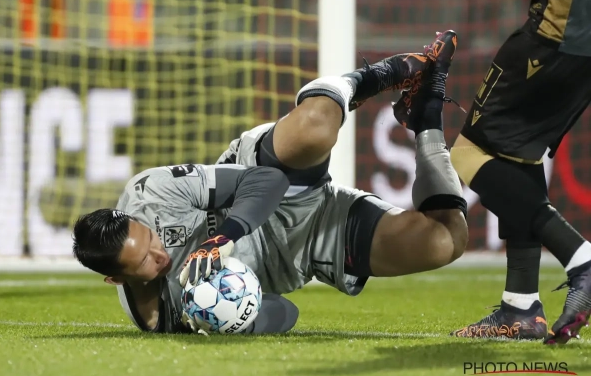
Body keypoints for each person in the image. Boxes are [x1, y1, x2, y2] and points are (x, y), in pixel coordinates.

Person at [72, 30, 468, 335]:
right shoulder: (164, 317)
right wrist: (234, 318)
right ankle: (426, 117)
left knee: (315, 127)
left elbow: (268, 180)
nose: (159, 254)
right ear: (117, 279)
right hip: (303, 246)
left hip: (268, 189)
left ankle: (374, 77)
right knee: (446, 241)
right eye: (144, 261)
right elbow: (287, 313)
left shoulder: (150, 194)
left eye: (149, 238)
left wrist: (223, 237)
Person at [448, 0, 591, 344]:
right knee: (516, 151)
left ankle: (583, 260)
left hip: (556, 33)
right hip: (581, 45)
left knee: (469, 153)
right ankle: (520, 308)